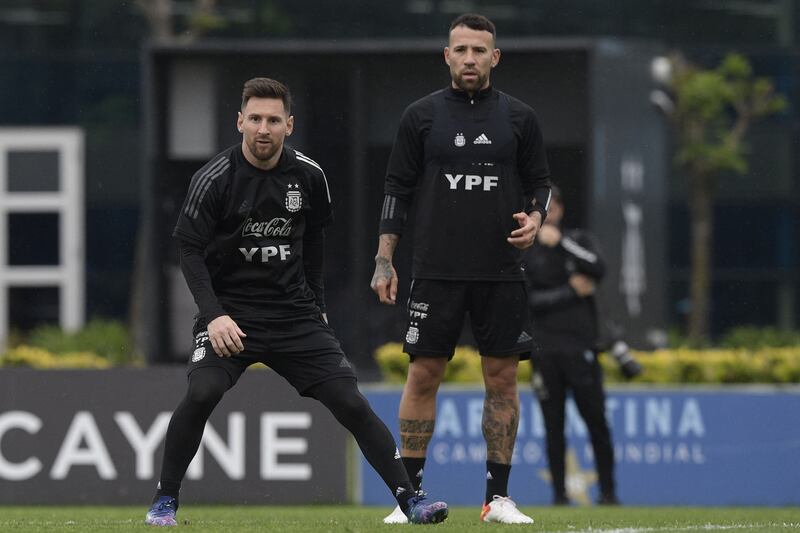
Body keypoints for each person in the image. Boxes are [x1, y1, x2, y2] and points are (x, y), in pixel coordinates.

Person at [144, 77, 448, 526]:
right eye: (254, 119)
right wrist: (214, 315)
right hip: (231, 317)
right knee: (203, 391)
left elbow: (314, 244)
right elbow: (188, 251)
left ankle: (411, 498)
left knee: (350, 401)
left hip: (294, 317)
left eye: (272, 120)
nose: (262, 129)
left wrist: (317, 304)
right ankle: (164, 501)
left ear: (289, 125)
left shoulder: (309, 175)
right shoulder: (214, 179)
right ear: (239, 122)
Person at [370, 14, 551, 525]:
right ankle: (411, 497)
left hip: (501, 271)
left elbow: (541, 183)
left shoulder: (521, 118)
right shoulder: (420, 116)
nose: (469, 58)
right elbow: (396, 191)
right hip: (436, 270)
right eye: (461, 49)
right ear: (446, 56)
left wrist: (535, 220)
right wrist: (385, 260)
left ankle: (498, 498)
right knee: (423, 375)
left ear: (495, 57)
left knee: (502, 380)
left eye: (479, 50)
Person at [521, 186, 619, 506]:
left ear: (561, 209)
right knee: (553, 425)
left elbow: (599, 267)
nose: (548, 213)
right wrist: (570, 292)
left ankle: (608, 493)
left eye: (552, 206)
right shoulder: (527, 250)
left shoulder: (579, 240)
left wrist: (561, 242)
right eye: (540, 208)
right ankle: (559, 496)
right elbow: (528, 301)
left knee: (596, 421)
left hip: (582, 348)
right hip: (545, 351)